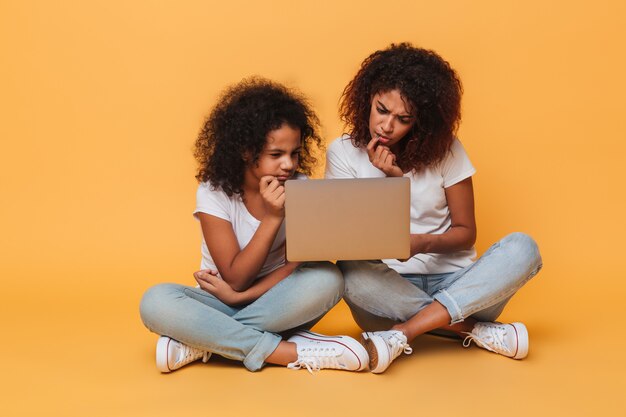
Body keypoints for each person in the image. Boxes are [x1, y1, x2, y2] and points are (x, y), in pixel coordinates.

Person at [325, 43, 543, 373]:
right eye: (381, 110)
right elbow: (344, 239)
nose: (386, 126)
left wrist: (422, 243)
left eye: (403, 119)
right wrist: (391, 185)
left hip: (460, 283)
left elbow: (466, 234)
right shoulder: (342, 153)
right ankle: (469, 329)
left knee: (522, 248)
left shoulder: (447, 150)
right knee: (349, 271)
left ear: (422, 122)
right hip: (388, 293)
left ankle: (405, 332)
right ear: (367, 98)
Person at [140, 77, 368, 373]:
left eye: (294, 153)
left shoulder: (301, 188)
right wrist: (274, 217)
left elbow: (291, 266)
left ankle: (202, 342)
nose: (289, 164)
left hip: (276, 301)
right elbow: (235, 277)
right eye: (276, 155)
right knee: (155, 300)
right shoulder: (214, 192)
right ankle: (284, 350)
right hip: (216, 303)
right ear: (246, 151)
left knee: (329, 277)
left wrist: (242, 298)